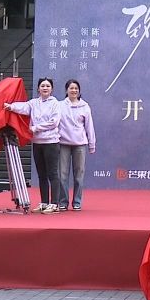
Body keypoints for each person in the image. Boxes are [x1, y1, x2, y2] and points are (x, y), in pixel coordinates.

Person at [5, 78, 62, 214]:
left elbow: (54, 122)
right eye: (42, 86)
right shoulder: (34, 103)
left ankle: (55, 203)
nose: (45, 88)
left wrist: (35, 128)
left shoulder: (55, 103)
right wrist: (10, 106)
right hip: (37, 143)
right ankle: (44, 202)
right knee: (42, 174)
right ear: (38, 89)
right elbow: (23, 107)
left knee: (52, 174)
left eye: (48, 86)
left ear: (52, 89)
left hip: (51, 142)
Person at [57, 79, 96, 211]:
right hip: (63, 143)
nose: (74, 90)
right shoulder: (59, 105)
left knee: (79, 174)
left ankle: (77, 202)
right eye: (71, 88)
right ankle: (63, 201)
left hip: (80, 145)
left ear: (79, 91)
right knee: (62, 174)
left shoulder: (85, 106)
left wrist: (91, 144)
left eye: (76, 88)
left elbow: (89, 126)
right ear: (66, 90)